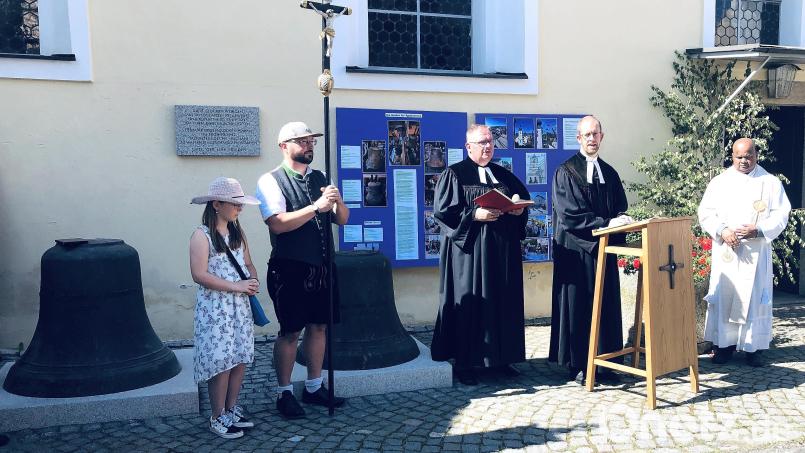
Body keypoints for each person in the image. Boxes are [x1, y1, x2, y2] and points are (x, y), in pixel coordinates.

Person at [256, 121, 350, 418]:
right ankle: (284, 393)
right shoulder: (270, 180)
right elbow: (277, 224)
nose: (309, 145)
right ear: (285, 146)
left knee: (319, 327)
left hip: (323, 265)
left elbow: (343, 220)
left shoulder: (320, 177)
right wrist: (316, 207)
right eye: (302, 141)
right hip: (291, 268)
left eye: (312, 141)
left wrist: (335, 201)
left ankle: (313, 386)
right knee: (290, 331)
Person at [430, 124, 530, 385]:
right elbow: (443, 214)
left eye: (490, 142)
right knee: (473, 305)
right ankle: (466, 363)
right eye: (481, 142)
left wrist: (519, 210)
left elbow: (522, 200)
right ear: (468, 147)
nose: (487, 146)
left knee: (503, 302)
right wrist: (474, 215)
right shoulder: (454, 174)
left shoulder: (503, 175)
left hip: (502, 253)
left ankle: (502, 357)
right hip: (471, 255)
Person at [549, 116, 630, 384]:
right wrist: (607, 224)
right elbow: (570, 214)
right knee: (579, 306)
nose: (592, 139)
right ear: (579, 138)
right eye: (587, 135)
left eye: (596, 134)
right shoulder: (566, 172)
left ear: (602, 137)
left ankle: (606, 362)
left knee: (606, 305)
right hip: (576, 251)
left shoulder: (610, 172)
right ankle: (580, 364)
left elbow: (620, 205)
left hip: (603, 252)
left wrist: (622, 220)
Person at [698, 138, 791, 367]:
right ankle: (723, 347)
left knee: (754, 299)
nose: (744, 161)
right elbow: (706, 213)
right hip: (727, 252)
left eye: (748, 156)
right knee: (726, 298)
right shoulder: (719, 182)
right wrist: (722, 230)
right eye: (739, 156)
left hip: (756, 252)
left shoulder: (769, 183)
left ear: (756, 155)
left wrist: (759, 229)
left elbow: (781, 214)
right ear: (732, 156)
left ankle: (754, 348)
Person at [189, 177, 261, 439]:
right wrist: (238, 287)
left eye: (240, 205)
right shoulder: (201, 235)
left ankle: (230, 408)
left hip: (239, 308)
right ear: (217, 204)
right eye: (235, 204)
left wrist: (252, 280)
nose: (239, 209)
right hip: (215, 309)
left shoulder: (237, 233)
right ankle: (217, 414)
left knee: (239, 357)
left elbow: (249, 263)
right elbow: (199, 274)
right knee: (221, 361)